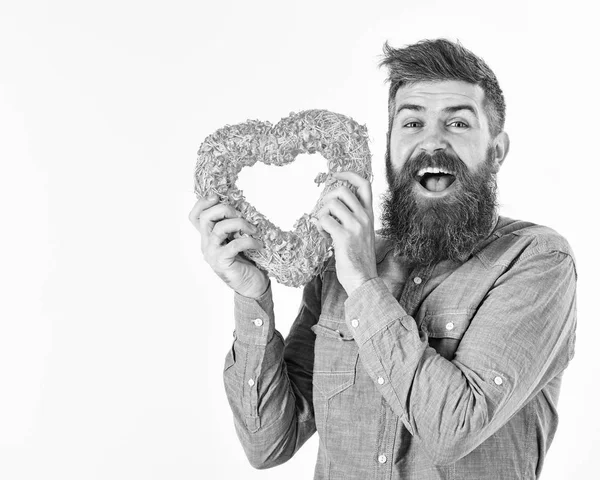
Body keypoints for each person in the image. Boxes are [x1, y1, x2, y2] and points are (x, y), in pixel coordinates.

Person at [189, 39, 577, 479]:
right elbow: (269, 444)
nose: (433, 141)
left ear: (497, 150)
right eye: (412, 122)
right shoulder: (342, 260)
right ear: (388, 147)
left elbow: (453, 429)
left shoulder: (536, 261)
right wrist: (252, 294)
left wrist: (362, 283)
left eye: (458, 123)